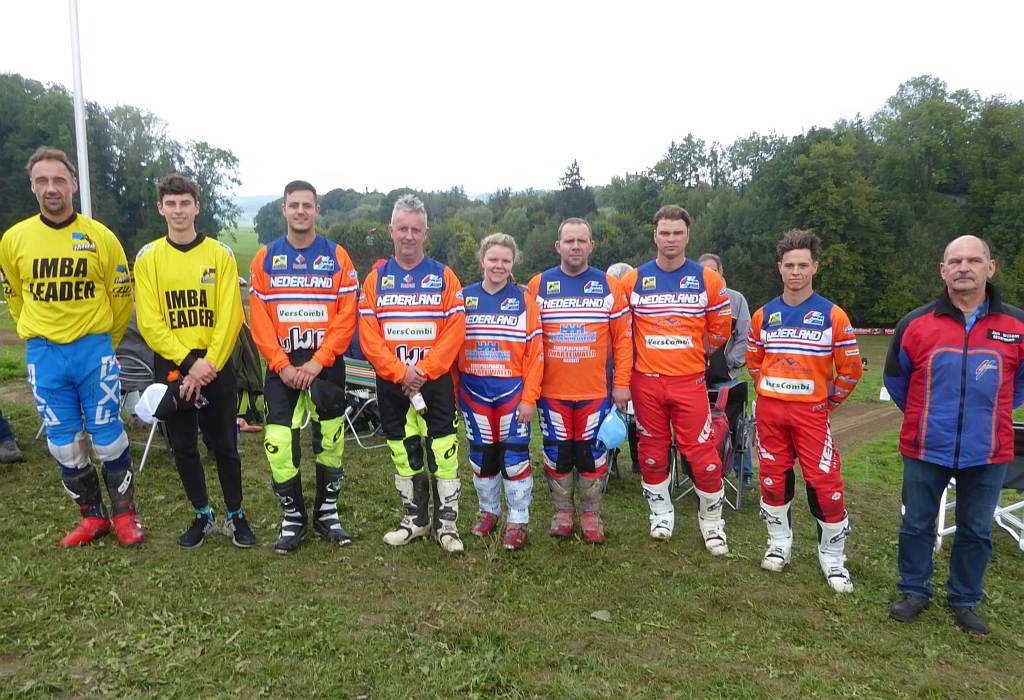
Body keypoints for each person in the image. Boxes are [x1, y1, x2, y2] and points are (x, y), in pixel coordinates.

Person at [0, 147, 141, 546]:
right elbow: (15, 295)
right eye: (42, 181)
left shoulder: (101, 237)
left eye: (59, 180)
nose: (51, 188)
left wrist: (107, 343)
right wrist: (36, 331)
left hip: (93, 350)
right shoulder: (14, 239)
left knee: (108, 438)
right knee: (64, 445)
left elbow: (120, 298)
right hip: (44, 354)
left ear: (73, 185)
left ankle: (126, 517)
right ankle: (92, 518)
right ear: (32, 187)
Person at [884, 235, 1024, 635]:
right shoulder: (915, 324)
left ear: (990, 268)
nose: (964, 267)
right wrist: (925, 415)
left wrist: (990, 412)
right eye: (955, 261)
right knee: (917, 524)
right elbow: (896, 380)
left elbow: (1019, 384)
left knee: (975, 530)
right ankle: (914, 590)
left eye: (973, 260)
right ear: (943, 271)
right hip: (926, 444)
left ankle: (964, 598)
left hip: (988, 449)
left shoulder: (1017, 325)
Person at [133, 174, 252, 548]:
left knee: (224, 444)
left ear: (197, 207)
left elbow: (230, 316)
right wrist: (188, 364)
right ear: (161, 209)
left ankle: (236, 515)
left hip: (215, 363)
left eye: (185, 203)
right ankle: (202, 514)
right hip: (173, 364)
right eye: (171, 204)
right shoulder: (148, 258)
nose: (178, 210)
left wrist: (207, 365)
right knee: (183, 446)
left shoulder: (220, 254)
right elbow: (150, 321)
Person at [746, 229, 863, 592]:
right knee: (772, 477)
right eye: (789, 265)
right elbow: (754, 362)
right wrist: (774, 390)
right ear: (779, 268)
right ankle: (778, 543)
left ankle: (833, 557)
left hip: (811, 415)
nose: (795, 272)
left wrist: (828, 402)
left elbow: (851, 369)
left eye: (802, 265)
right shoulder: (763, 315)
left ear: (815, 267)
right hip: (770, 413)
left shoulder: (833, 315)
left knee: (825, 483)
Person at [249, 180, 359, 554]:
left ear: (316, 210)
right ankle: (292, 517)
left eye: (307, 205)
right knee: (279, 443)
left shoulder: (337, 256)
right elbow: (260, 319)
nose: (300, 211)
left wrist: (317, 362)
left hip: (324, 364)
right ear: (283, 209)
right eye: (293, 205)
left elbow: (346, 316)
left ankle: (327, 514)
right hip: (282, 364)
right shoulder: (265, 258)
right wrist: (281, 364)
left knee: (331, 440)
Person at [619, 206, 732, 552]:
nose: (671, 239)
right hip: (646, 383)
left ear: (687, 236)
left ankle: (712, 523)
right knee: (651, 453)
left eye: (677, 233)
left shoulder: (709, 280)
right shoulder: (632, 280)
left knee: (703, 456)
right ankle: (660, 514)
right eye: (664, 233)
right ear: (655, 236)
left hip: (689, 382)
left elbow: (720, 329)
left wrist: (698, 353)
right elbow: (621, 332)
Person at [359, 195, 467, 553]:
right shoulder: (376, 280)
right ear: (391, 230)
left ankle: (447, 526)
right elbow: (368, 335)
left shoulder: (444, 277)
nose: (409, 236)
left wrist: (423, 370)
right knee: (402, 450)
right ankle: (415, 521)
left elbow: (455, 330)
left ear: (426, 233)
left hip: (434, 382)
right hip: (393, 383)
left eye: (415, 230)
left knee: (443, 450)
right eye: (402, 228)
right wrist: (399, 372)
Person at [526, 218, 631, 544]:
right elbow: (526, 340)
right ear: (557, 246)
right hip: (551, 392)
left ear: (591, 246)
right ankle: (562, 512)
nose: (575, 246)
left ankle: (590, 514)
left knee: (592, 453)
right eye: (569, 241)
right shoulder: (539, 285)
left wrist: (622, 383)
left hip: (595, 392)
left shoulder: (609, 286)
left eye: (581, 240)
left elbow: (623, 340)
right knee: (557, 452)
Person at [457, 233, 543, 550]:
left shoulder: (524, 301)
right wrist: (455, 392)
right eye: (493, 259)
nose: (499, 265)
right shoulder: (463, 298)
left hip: (512, 394)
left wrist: (529, 398)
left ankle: (518, 520)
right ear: (482, 260)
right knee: (482, 456)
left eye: (505, 260)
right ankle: (489, 512)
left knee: (515, 457)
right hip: (474, 393)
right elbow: (451, 348)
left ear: (513, 263)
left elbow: (536, 355)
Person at [698, 253, 754, 488]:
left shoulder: (736, 300)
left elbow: (745, 336)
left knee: (737, 420)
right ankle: (698, 469)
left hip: (726, 378)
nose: (709, 276)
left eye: (713, 271)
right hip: (695, 376)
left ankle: (744, 471)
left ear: (721, 273)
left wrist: (730, 362)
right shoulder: (693, 299)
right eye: (704, 272)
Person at [606, 262, 639, 476]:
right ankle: (610, 457)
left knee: (636, 416)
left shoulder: (640, 305)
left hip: (638, 367)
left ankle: (638, 459)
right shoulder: (608, 303)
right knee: (609, 416)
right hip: (608, 368)